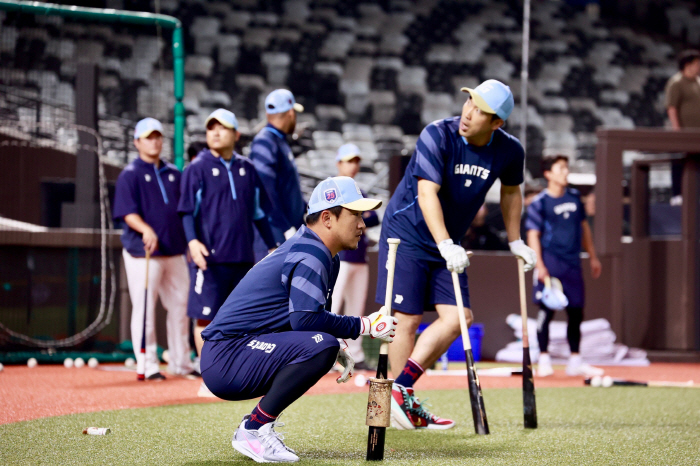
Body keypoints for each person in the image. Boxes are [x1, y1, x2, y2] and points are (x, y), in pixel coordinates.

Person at [374, 79, 537, 430]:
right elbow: (427, 192)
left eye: (480, 110)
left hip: (449, 242)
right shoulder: (437, 135)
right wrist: (447, 243)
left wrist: (515, 241)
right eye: (469, 103)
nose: (468, 113)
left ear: (497, 124)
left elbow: (511, 192)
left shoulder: (509, 150)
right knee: (407, 319)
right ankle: (398, 408)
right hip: (407, 234)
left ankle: (400, 391)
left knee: (458, 317)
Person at [200, 177, 395, 463]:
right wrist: (364, 326)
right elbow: (306, 321)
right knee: (321, 346)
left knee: (325, 345)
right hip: (226, 356)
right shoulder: (312, 252)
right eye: (355, 215)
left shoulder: (324, 254)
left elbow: (310, 321)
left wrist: (336, 344)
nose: (363, 225)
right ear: (327, 218)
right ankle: (254, 428)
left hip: (236, 351)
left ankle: (256, 426)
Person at [178, 109, 278, 396]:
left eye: (222, 128)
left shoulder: (247, 169)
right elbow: (186, 212)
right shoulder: (196, 168)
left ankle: (239, 374)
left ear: (236, 134)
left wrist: (272, 246)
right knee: (205, 319)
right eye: (211, 128)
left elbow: (259, 214)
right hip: (209, 259)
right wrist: (192, 242)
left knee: (243, 320)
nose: (215, 132)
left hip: (243, 258)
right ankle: (207, 378)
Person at [113, 118, 194, 381]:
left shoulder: (174, 173)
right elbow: (127, 212)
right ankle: (147, 365)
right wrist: (145, 228)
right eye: (148, 137)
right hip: (142, 252)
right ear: (137, 142)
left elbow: (184, 211)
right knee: (145, 307)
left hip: (174, 251)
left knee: (182, 305)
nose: (155, 141)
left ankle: (181, 362)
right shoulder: (130, 174)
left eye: (158, 136)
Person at [526, 155, 603, 377]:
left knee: (576, 312)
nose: (565, 172)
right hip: (550, 263)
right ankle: (543, 359)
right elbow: (533, 234)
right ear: (548, 174)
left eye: (566, 168)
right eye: (561, 168)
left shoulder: (575, 198)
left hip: (573, 264)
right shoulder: (539, 203)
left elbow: (584, 228)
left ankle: (575, 360)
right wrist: (539, 265)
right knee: (546, 311)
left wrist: (593, 256)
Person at [329, 144, 380, 371]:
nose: (353, 166)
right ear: (339, 163)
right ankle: (325, 354)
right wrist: (361, 218)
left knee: (356, 310)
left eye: (356, 161)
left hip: (360, 257)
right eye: (348, 161)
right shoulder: (333, 189)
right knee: (331, 306)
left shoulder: (361, 191)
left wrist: (359, 218)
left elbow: (374, 217)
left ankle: (355, 355)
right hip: (340, 257)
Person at [249, 89, 307, 262]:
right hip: (273, 236)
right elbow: (264, 192)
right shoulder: (265, 141)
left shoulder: (278, 141)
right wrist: (286, 227)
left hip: (283, 234)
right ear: (290, 113)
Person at [664, 49, 700, 204]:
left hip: (697, 133)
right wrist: (677, 129)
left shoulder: (698, 82)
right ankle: (677, 194)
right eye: (697, 63)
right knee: (679, 162)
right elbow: (672, 107)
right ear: (688, 64)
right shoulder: (677, 82)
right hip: (683, 132)